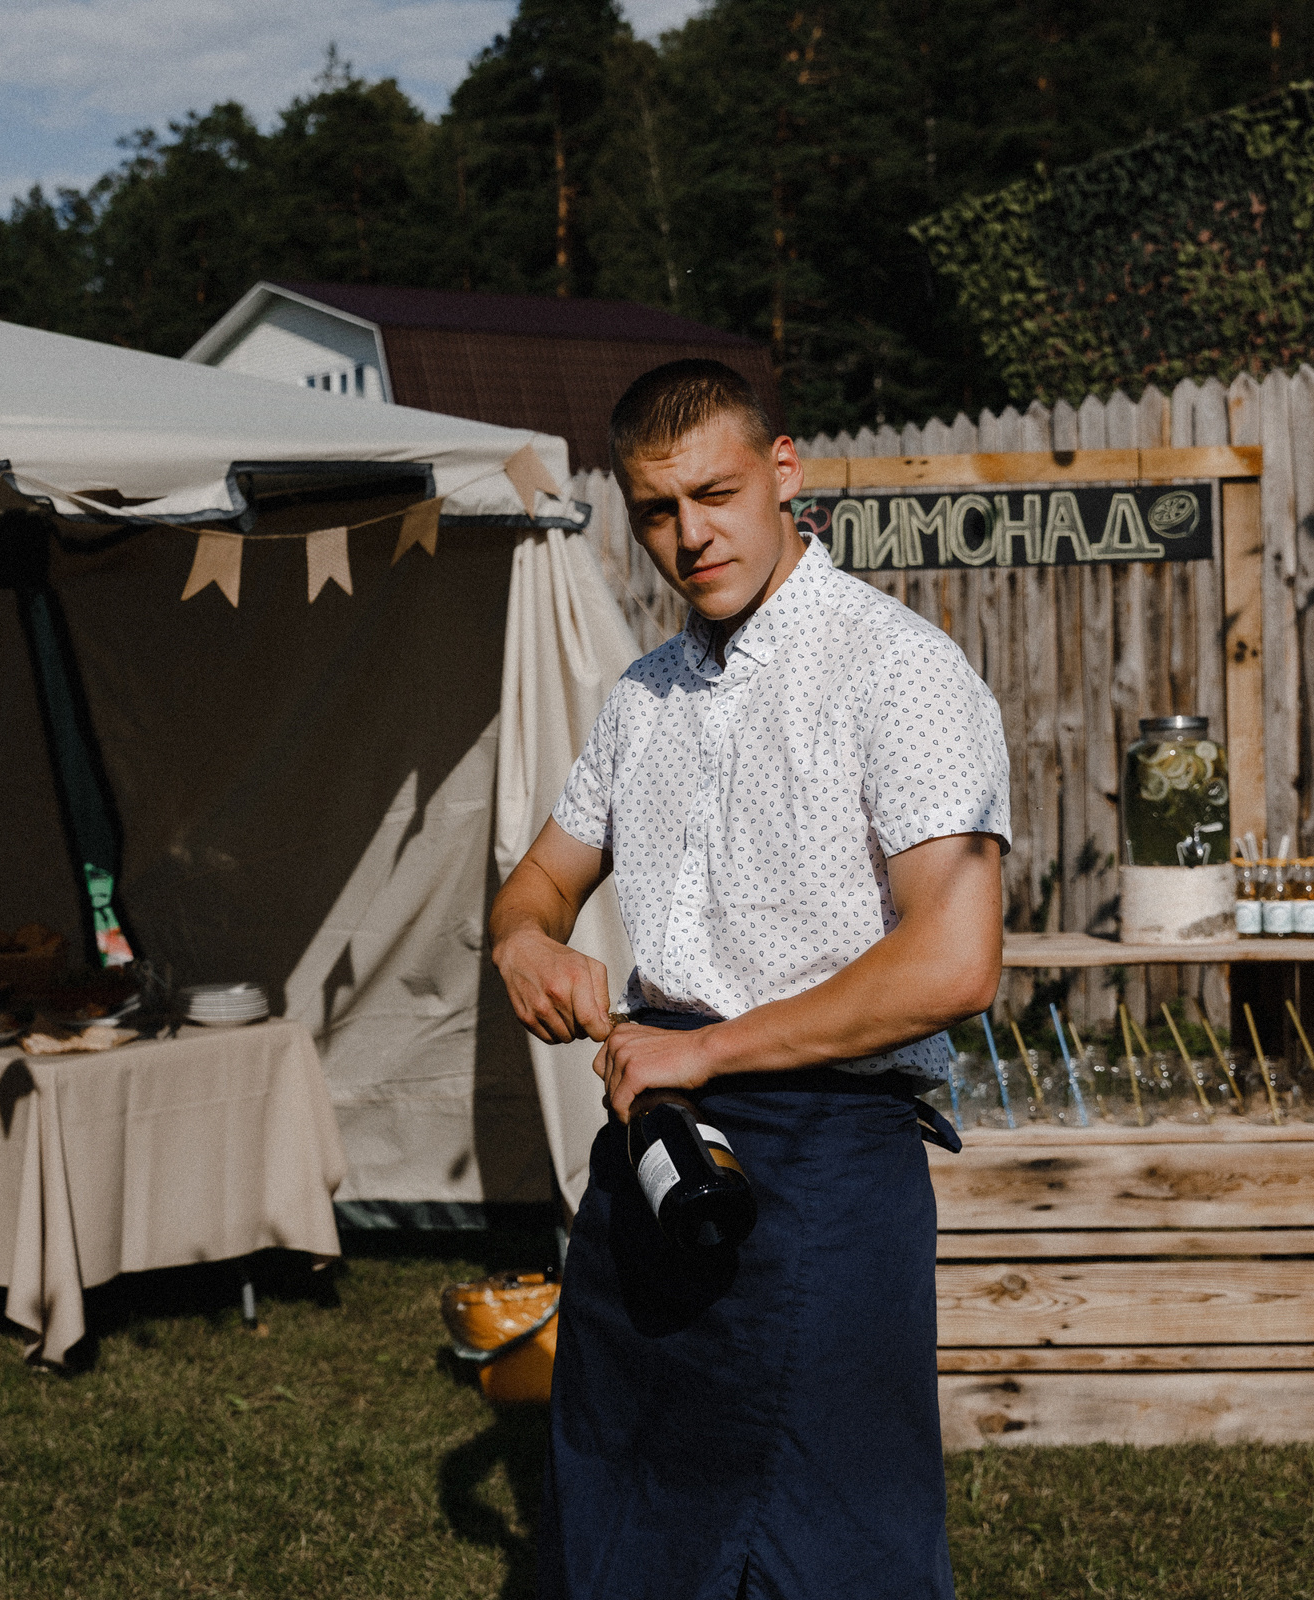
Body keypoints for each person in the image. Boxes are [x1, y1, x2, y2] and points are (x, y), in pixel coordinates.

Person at [489, 358, 1009, 1600]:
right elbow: (538, 880)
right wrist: (523, 939)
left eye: (715, 494)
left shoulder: (898, 668)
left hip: (828, 1148)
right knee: (627, 1492)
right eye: (657, 509)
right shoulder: (643, 698)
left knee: (834, 1540)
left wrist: (706, 1050)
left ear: (785, 472)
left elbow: (954, 958)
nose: (689, 534)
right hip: (655, 1133)